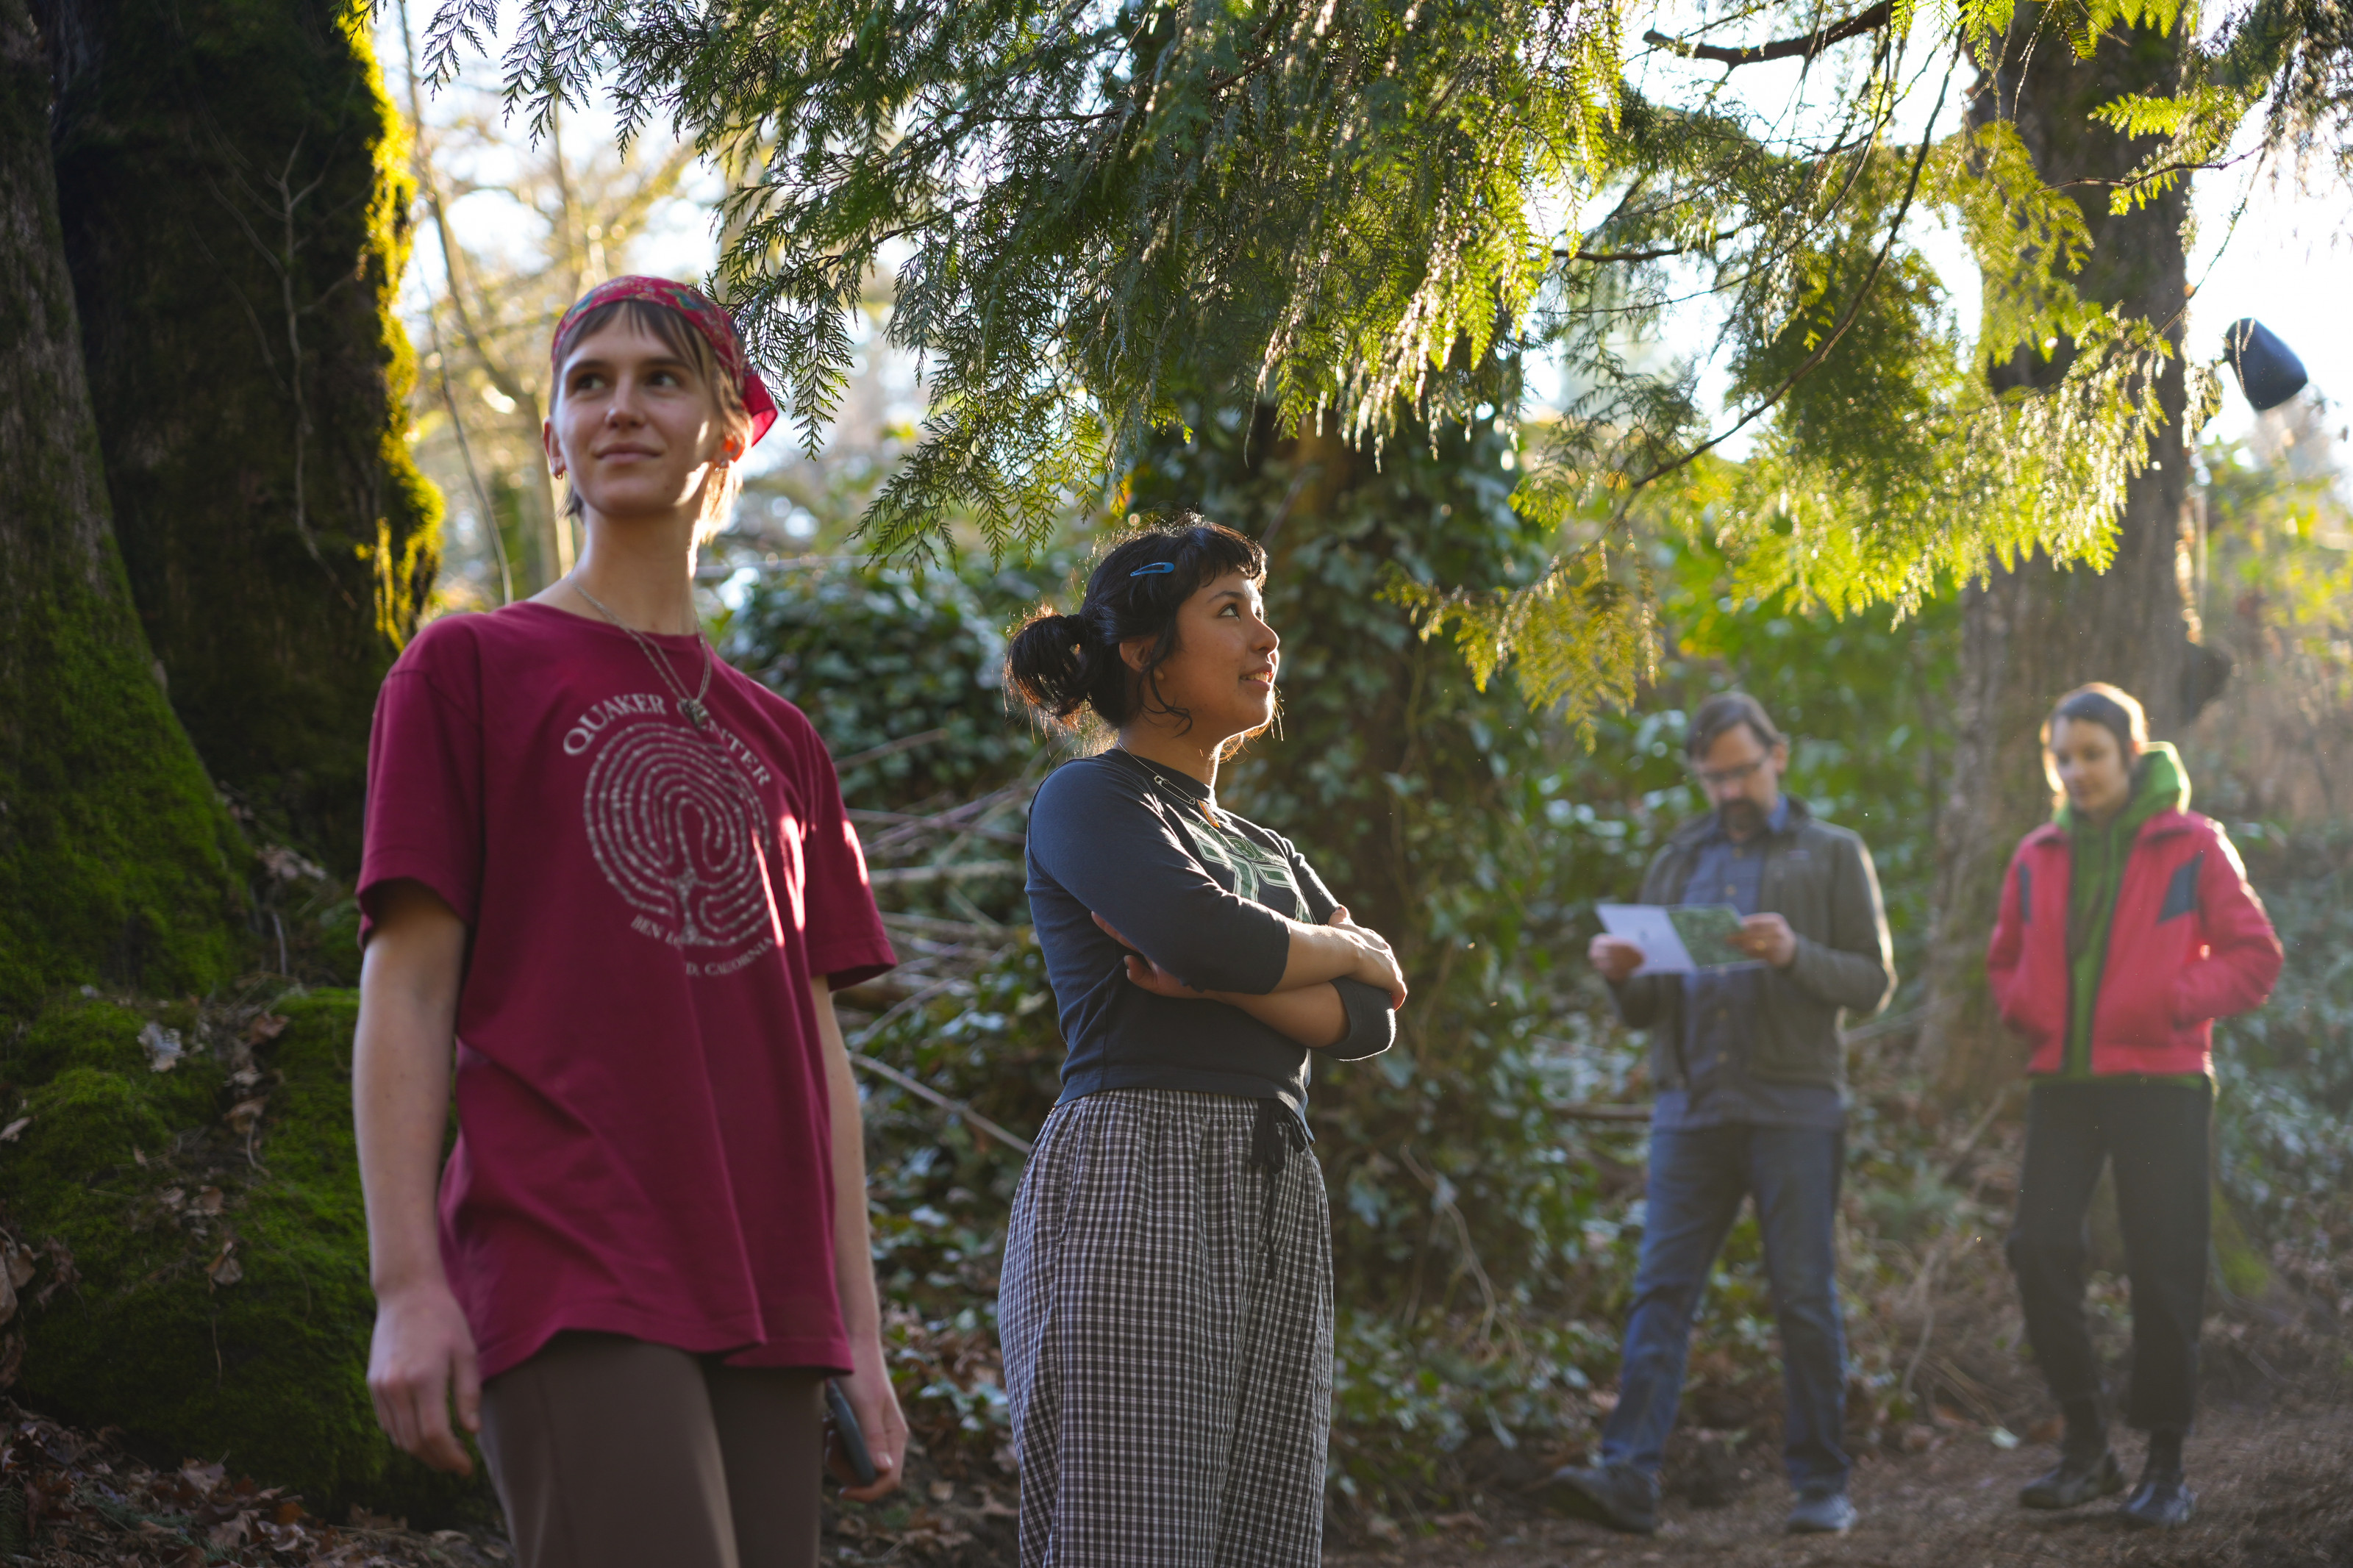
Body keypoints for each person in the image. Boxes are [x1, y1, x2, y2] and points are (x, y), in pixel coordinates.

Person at [354, 276, 907, 1568]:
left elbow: (816, 1052)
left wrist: (861, 1336)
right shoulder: (469, 668)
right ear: (553, 439)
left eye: (660, 378)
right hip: (571, 1250)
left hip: (767, 1283)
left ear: (730, 427)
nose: (619, 406)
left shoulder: (786, 739)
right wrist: (408, 1283)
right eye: (586, 382)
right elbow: (410, 986)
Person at [997, 518, 1404, 1568]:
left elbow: (1370, 1021)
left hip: (1274, 1184)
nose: (1267, 637)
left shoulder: (1262, 848)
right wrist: (1343, 947)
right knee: (1134, 1539)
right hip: (1138, 1173)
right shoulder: (1092, 798)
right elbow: (1199, 936)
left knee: (1264, 1540)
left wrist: (1264, 969)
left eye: (1262, 611)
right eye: (1230, 611)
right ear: (1142, 651)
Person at [1550, 691, 1893, 1538]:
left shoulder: (1832, 853)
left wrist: (1791, 953)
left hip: (1794, 1111)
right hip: (1689, 1112)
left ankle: (1821, 1486)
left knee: (1803, 1298)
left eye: (1742, 771)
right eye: (1713, 777)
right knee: (1659, 1292)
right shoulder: (1676, 860)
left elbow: (1872, 982)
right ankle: (1625, 1478)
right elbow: (1641, 1010)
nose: (1730, 789)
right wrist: (1619, 970)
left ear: (1776, 756)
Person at [1988, 683, 2281, 1530]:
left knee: (2163, 1268)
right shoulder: (2037, 853)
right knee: (2035, 1246)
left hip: (2162, 1084)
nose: (2075, 772)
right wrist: (2024, 1008)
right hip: (2064, 1084)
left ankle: (2165, 1466)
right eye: (2062, 758)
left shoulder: (2192, 845)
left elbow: (2252, 957)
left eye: (2090, 754)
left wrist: (2169, 998)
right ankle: (2086, 1447)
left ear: (2127, 754)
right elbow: (2003, 958)